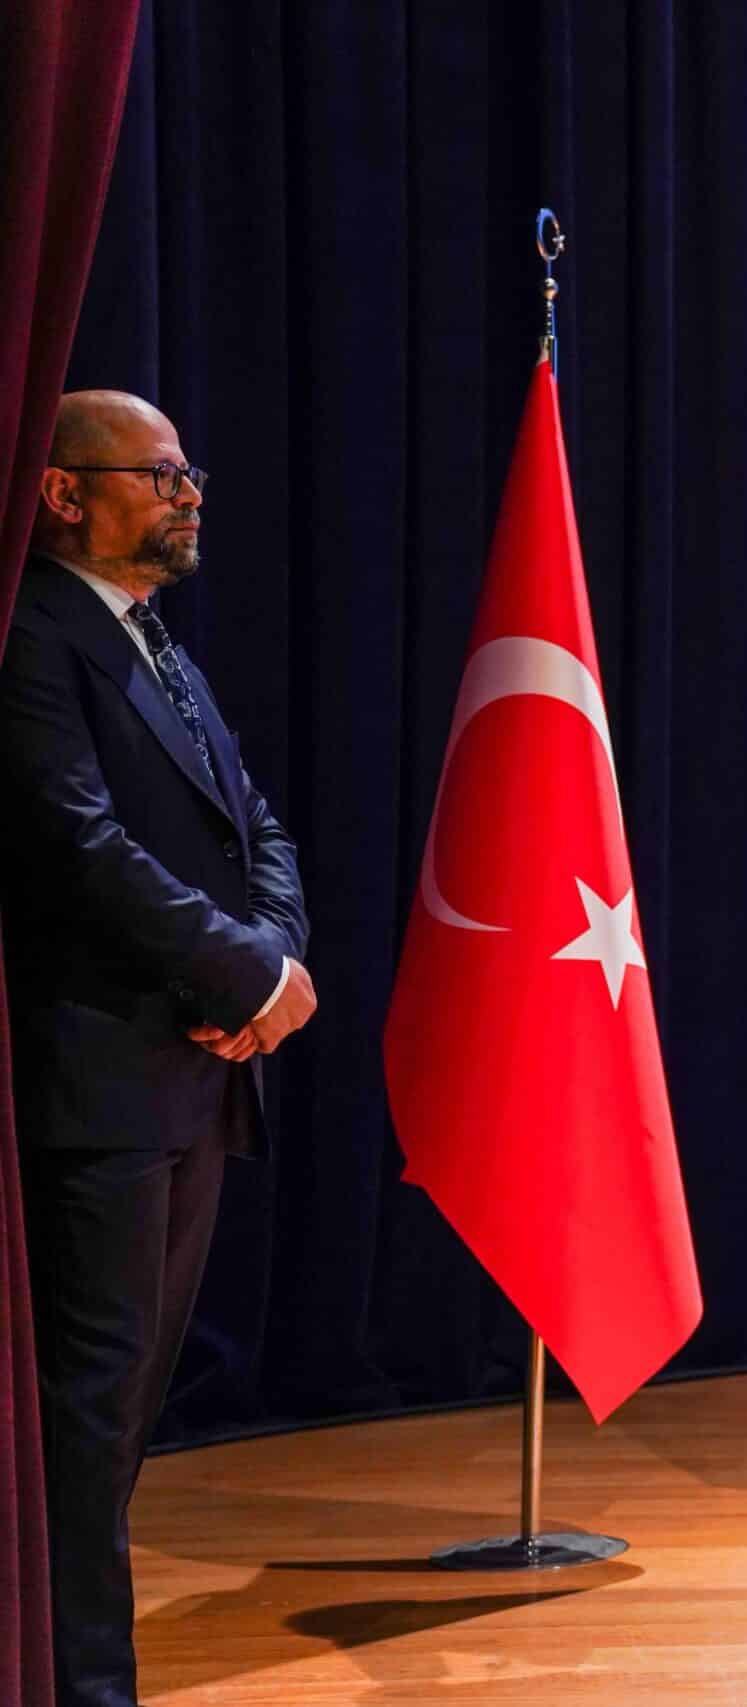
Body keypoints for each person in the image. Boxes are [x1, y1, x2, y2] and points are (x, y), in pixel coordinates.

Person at [0, 391, 316, 1707]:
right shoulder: (33, 632)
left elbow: (258, 825)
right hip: (102, 1081)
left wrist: (274, 966)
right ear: (65, 491)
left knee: (126, 1411)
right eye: (161, 474)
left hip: (193, 1072)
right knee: (88, 1415)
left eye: (190, 475)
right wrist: (247, 974)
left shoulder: (151, 636)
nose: (189, 496)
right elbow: (75, 843)